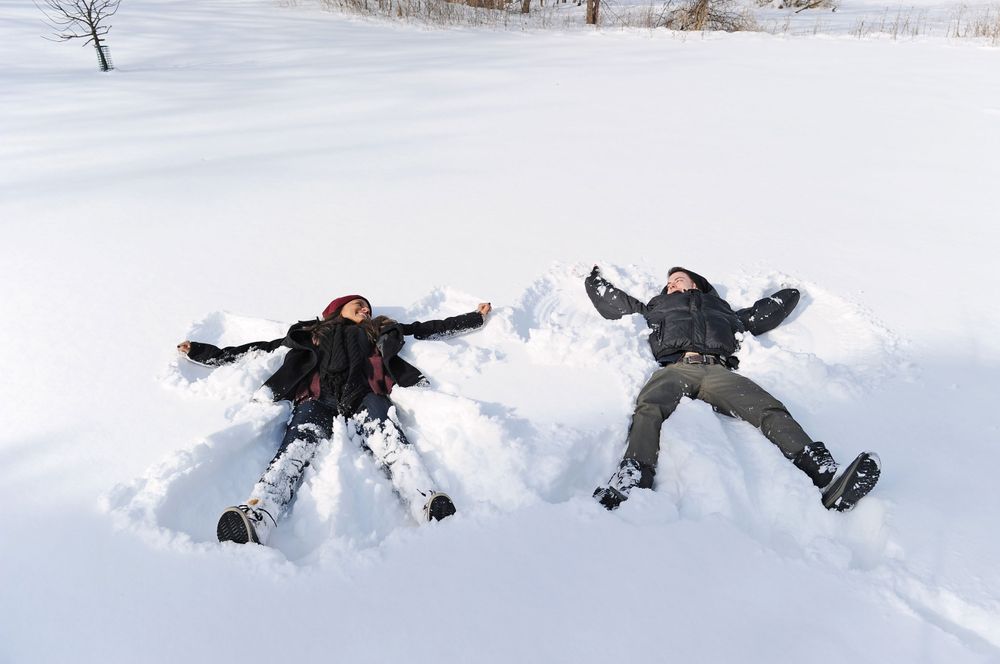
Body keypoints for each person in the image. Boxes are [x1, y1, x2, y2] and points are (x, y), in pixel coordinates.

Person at [178, 295, 492, 545]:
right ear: (338, 309)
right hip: (318, 397)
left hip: (365, 394)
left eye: (368, 308)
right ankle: (260, 512)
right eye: (359, 305)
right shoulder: (313, 333)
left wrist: (474, 318)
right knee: (294, 449)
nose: (365, 310)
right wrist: (207, 353)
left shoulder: (378, 329)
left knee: (389, 438)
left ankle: (424, 497)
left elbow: (427, 328)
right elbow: (259, 349)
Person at [585, 266, 880, 512]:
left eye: (678, 279)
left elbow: (761, 314)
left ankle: (824, 473)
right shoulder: (656, 307)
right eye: (668, 282)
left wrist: (789, 294)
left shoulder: (723, 312)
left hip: (717, 371)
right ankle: (633, 477)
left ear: (696, 284)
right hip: (676, 369)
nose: (671, 284)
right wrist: (594, 280)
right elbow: (619, 305)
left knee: (767, 408)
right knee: (650, 407)